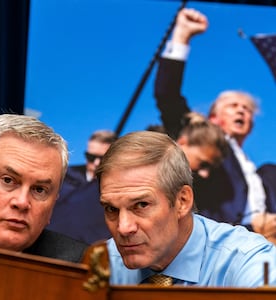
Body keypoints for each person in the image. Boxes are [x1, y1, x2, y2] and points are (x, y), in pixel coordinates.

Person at [154, 7, 276, 242]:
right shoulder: (203, 146)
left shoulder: (262, 171)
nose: (242, 110)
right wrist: (181, 36)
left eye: (247, 109)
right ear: (214, 118)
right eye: (233, 106)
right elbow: (167, 96)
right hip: (221, 245)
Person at [96, 130, 276, 287]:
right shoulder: (102, 263)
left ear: (182, 201)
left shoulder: (248, 261)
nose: (123, 228)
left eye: (141, 205)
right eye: (111, 209)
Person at [0, 113, 88, 263]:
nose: (22, 202)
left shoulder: (78, 267)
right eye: (8, 180)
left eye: (39, 190)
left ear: (53, 204)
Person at [47, 129, 118, 244]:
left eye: (102, 158)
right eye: (91, 157)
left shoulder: (120, 191)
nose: (96, 163)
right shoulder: (63, 176)